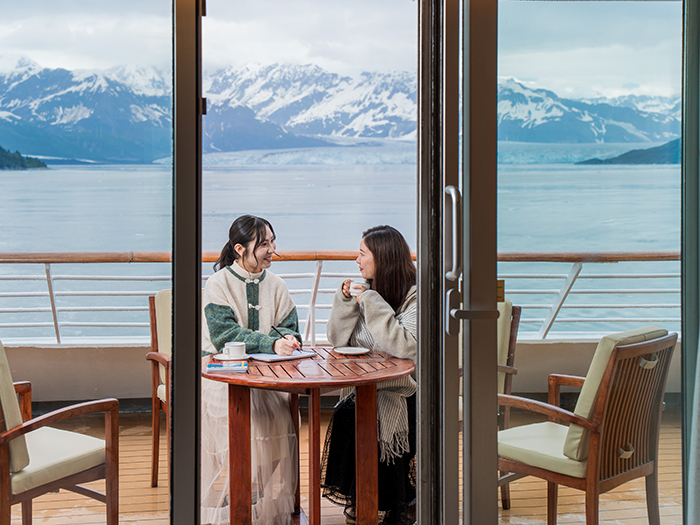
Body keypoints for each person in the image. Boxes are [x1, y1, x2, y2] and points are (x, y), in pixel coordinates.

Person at [201, 215, 301, 525]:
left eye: (273, 241)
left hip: (268, 378)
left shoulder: (277, 285)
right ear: (239, 249)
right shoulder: (218, 284)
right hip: (222, 375)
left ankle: (250, 493)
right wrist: (271, 344)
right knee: (254, 421)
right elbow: (224, 335)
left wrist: (289, 339)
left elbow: (290, 326)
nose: (272, 250)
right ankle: (245, 494)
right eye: (264, 244)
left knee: (285, 417)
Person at [320, 225, 417, 525]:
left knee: (365, 416)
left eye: (362, 254)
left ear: (383, 258)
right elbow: (337, 340)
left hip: (407, 391)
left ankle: (390, 502)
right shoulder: (365, 291)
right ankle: (367, 498)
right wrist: (345, 304)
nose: (357, 260)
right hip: (365, 386)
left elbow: (405, 346)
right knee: (348, 413)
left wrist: (373, 302)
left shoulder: (414, 297)